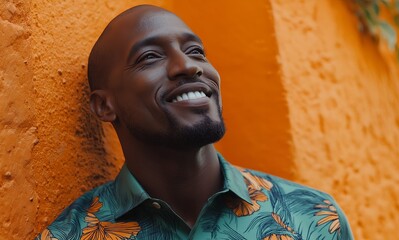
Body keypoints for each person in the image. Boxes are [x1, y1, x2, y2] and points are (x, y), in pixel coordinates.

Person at [36, 5, 353, 240]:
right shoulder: (71, 235)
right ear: (105, 106)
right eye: (149, 57)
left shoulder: (313, 219)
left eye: (195, 51)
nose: (187, 65)